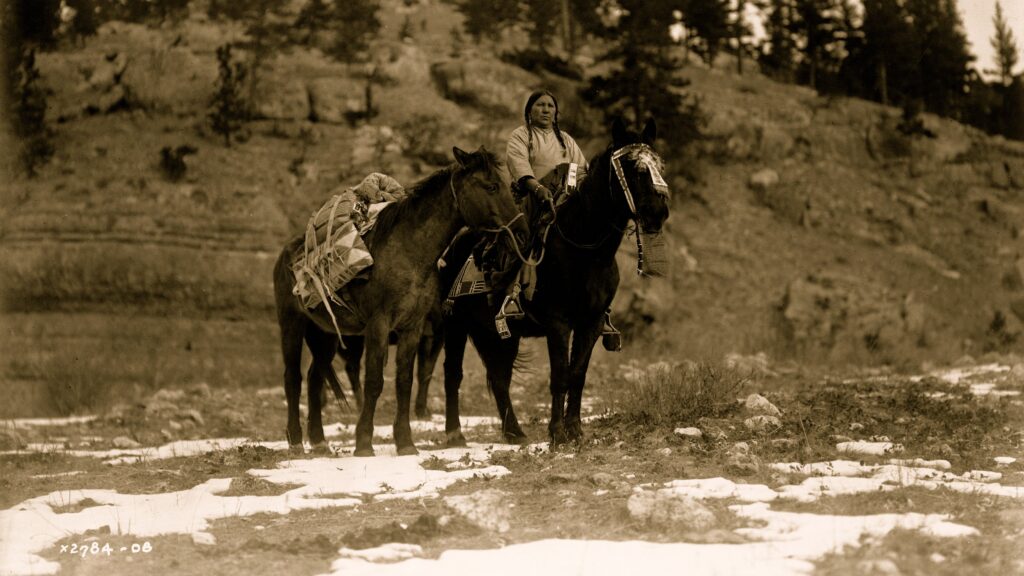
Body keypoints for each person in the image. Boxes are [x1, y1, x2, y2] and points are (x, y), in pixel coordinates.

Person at [501, 89, 621, 350]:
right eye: (540, 105)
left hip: (564, 200)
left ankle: (602, 310)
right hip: (532, 199)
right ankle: (512, 297)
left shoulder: (566, 140)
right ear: (530, 111)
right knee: (524, 238)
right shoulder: (521, 136)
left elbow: (582, 170)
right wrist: (537, 187)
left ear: (556, 113)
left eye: (550, 106)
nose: (546, 110)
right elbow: (518, 164)